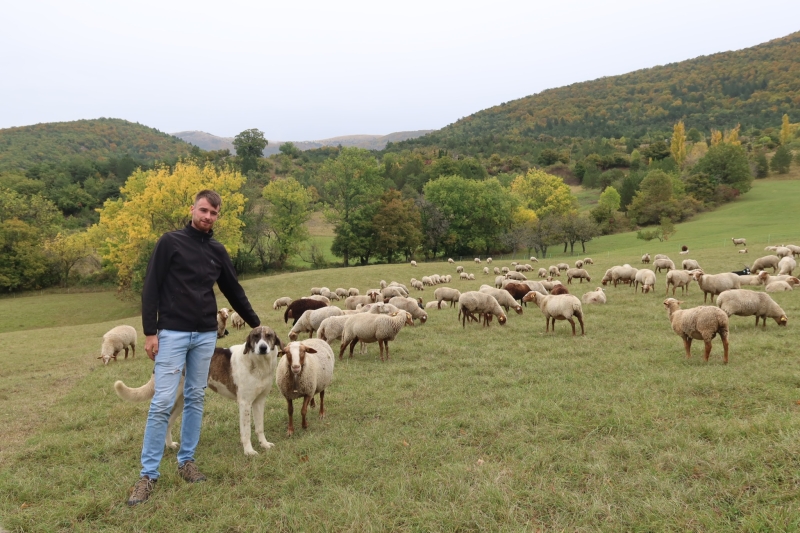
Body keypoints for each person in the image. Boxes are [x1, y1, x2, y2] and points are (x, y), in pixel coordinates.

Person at [127, 190, 260, 506]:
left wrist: (255, 324)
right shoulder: (170, 242)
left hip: (204, 336)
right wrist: (149, 332)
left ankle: (187, 461)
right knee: (162, 402)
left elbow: (232, 289)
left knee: (195, 398)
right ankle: (147, 476)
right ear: (193, 209)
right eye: (203, 210)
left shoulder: (217, 250)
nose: (207, 217)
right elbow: (151, 288)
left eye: (214, 214)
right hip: (172, 332)